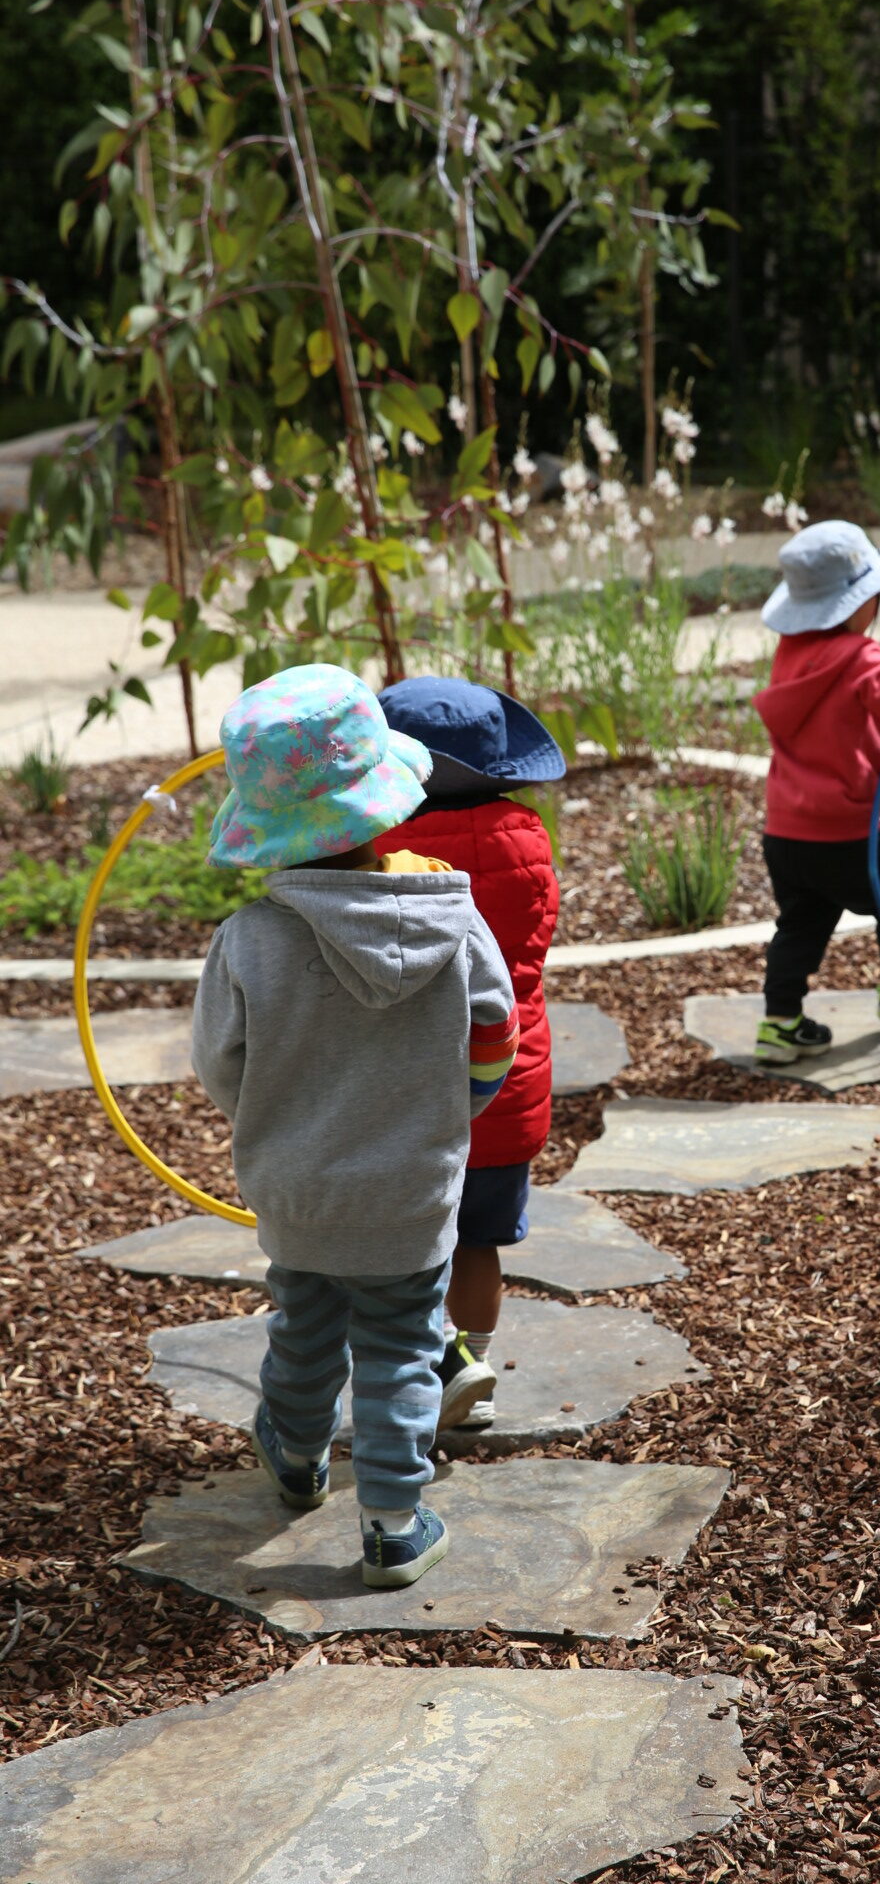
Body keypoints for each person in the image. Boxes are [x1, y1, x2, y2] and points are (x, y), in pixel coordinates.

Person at [191, 664, 518, 1588]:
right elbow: (495, 1037)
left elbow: (222, 1065)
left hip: (297, 1188)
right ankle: (393, 1522)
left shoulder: (249, 939)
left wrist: (281, 1121)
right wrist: (449, 1115)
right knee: (400, 1349)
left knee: (303, 1329)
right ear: (386, 810)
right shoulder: (454, 921)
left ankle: (294, 1461)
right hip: (411, 1190)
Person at [377, 675, 564, 1433]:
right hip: (507, 1081)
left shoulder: (380, 848)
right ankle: (474, 1372)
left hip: (408, 1094)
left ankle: (434, 1368)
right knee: (479, 1243)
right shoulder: (527, 834)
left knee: (408, 1248)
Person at [752, 519, 880, 1064]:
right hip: (846, 833)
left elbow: (856, 696)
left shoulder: (792, 657)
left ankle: (779, 1023)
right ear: (856, 605)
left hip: (786, 832)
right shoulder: (861, 656)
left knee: (800, 923)